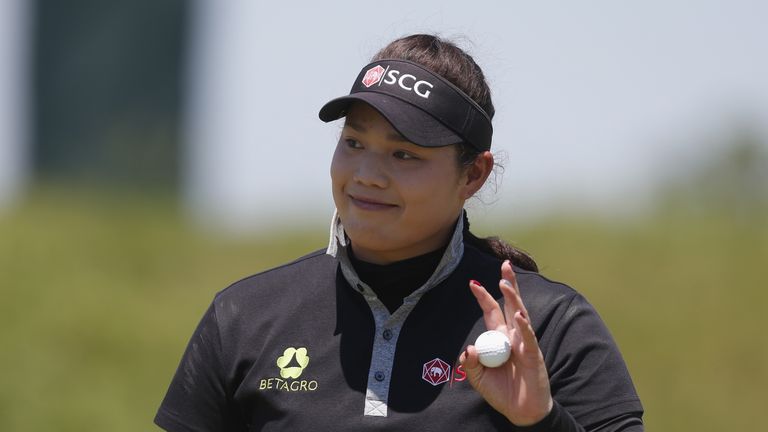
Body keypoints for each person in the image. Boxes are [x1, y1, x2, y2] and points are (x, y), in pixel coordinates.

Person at [155, 34, 644, 431]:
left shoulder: (549, 326)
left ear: (472, 175)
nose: (367, 173)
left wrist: (542, 422)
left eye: (404, 154)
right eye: (353, 142)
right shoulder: (244, 317)